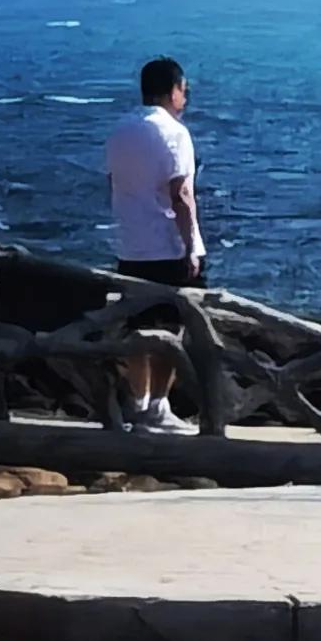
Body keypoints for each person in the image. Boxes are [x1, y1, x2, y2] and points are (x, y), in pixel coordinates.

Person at [101, 56, 204, 432]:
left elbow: (114, 184)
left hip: (131, 245)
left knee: (138, 329)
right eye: (184, 90)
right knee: (172, 330)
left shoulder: (120, 131)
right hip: (168, 247)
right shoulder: (175, 133)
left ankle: (138, 401)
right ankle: (158, 407)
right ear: (173, 90)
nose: (186, 97)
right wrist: (191, 245)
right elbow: (182, 194)